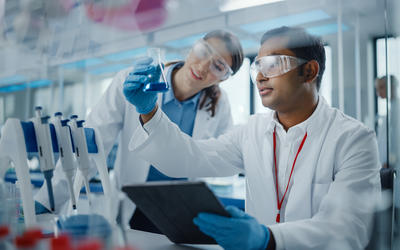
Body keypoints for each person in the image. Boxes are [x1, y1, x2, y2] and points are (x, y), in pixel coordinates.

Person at [125, 26, 381, 250]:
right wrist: (149, 111)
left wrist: (268, 239)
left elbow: (349, 230)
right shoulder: (253, 131)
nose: (259, 76)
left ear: (309, 71)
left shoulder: (353, 139)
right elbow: (189, 158)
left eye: (273, 64)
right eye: (257, 66)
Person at [34, 30, 244, 225]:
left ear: (224, 78)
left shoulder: (218, 105)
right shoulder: (133, 82)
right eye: (203, 52)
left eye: (218, 66)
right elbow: (91, 144)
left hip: (183, 209)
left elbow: (225, 155)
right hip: (134, 204)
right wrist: (48, 198)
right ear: (193, 47)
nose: (203, 66)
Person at [375, 75, 399, 168]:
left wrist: (390, 161)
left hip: (392, 164)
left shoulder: (396, 110)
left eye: (381, 87)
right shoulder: (392, 109)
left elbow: (396, 138)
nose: (378, 92)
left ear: (391, 87)